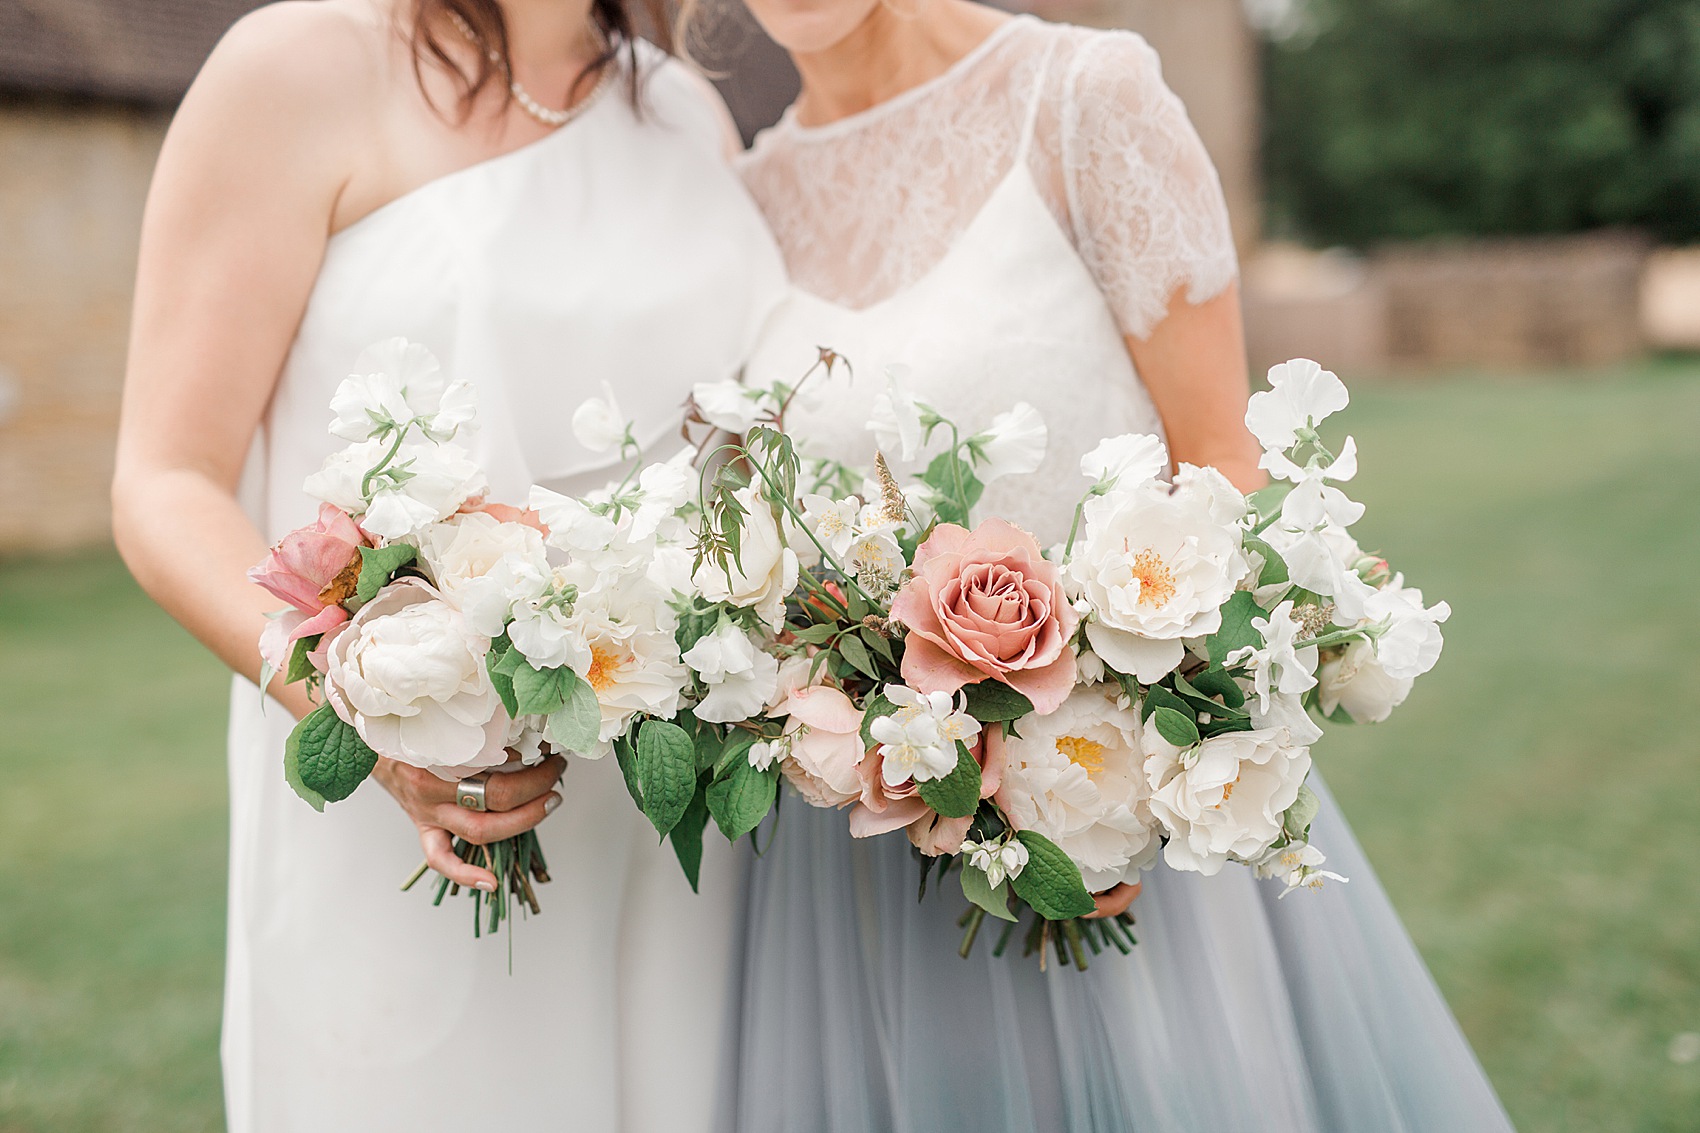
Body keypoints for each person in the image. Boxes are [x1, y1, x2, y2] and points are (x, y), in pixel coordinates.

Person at [715, 0, 1519, 1128]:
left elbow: (1220, 466)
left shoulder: (1084, 95)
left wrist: (1111, 784)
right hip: (851, 853)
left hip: (1103, 802)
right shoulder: (744, 194)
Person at [110, 1, 782, 1129]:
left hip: (671, 815)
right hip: (419, 802)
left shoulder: (682, 111)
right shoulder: (298, 67)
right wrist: (371, 716)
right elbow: (164, 480)